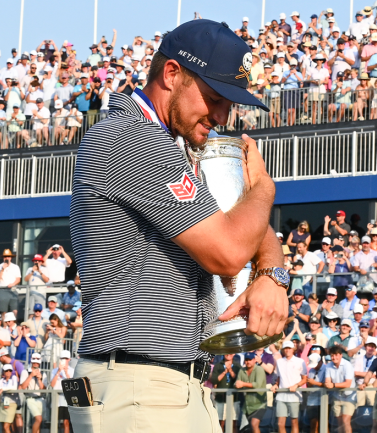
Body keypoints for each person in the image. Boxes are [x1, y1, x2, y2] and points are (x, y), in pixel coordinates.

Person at [70, 19, 286, 432]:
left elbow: (251, 229)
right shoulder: (131, 137)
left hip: (164, 385)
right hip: (138, 384)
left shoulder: (171, 144)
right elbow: (228, 251)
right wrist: (263, 188)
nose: (223, 115)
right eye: (214, 96)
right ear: (172, 73)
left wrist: (271, 275)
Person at [272, 340, 306, 433]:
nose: (287, 350)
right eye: (285, 348)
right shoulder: (279, 362)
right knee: (280, 423)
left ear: (293, 349)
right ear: (283, 350)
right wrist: (276, 385)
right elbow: (279, 377)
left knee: (294, 422)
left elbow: (304, 378)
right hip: (281, 396)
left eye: (289, 348)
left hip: (295, 396)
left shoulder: (300, 361)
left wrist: (296, 385)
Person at [323, 345, 355, 433]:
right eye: (332, 355)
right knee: (340, 423)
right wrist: (330, 384)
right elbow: (327, 381)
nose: (334, 357)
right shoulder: (328, 366)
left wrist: (332, 385)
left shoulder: (347, 365)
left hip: (349, 396)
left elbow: (348, 383)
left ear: (341, 355)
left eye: (336, 355)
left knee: (345, 420)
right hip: (337, 396)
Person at [234, 352, 267, 433]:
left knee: (254, 424)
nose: (248, 362)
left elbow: (258, 385)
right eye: (246, 360)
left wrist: (242, 384)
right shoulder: (242, 370)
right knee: (251, 428)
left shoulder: (259, 369)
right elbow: (237, 382)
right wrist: (236, 384)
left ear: (254, 360)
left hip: (260, 404)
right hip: (247, 405)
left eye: (250, 360)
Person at [19, 353, 46, 433]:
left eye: (37, 362)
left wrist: (39, 379)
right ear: (31, 361)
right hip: (30, 398)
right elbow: (23, 387)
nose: (35, 363)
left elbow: (44, 389)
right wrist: (30, 376)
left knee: (39, 422)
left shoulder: (43, 373)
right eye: (34, 362)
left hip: (40, 399)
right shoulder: (25, 372)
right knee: (39, 419)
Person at [0, 365, 20, 433]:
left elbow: (14, 387)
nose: (8, 372)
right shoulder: (2, 380)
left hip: (12, 403)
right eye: (6, 371)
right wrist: (2, 389)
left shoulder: (14, 377)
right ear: (3, 372)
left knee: (6, 426)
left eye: (10, 370)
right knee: (4, 427)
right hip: (3, 402)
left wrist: (3, 389)